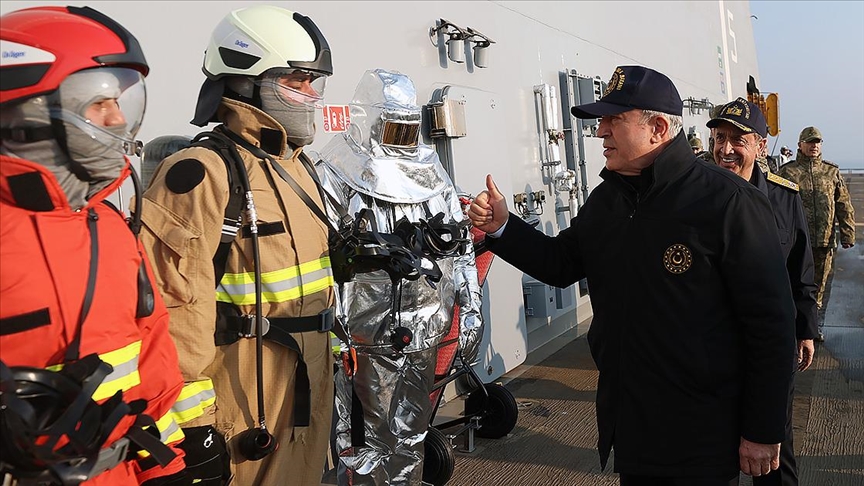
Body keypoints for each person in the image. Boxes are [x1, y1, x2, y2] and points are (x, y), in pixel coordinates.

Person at [468, 65, 797, 485]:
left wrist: (763, 430)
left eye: (613, 119)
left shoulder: (729, 202)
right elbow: (560, 263)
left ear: (658, 127)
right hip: (631, 421)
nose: (600, 131)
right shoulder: (609, 200)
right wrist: (502, 227)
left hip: (702, 427)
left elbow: (771, 325)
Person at [138, 5, 336, 485]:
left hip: (310, 388)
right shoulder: (201, 174)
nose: (310, 95)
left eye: (315, 82)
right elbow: (174, 311)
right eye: (297, 79)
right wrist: (194, 430)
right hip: (244, 401)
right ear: (247, 81)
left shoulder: (298, 168)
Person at [0, 6, 187, 485]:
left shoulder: (107, 223)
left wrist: (165, 464)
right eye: (97, 103)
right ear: (32, 109)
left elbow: (150, 349)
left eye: (121, 100)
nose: (119, 119)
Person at [316, 69, 483, 486]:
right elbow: (321, 260)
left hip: (424, 331)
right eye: (393, 127)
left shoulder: (430, 171)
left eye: (408, 129)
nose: (402, 139)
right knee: (360, 444)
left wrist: (471, 306)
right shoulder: (335, 173)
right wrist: (336, 339)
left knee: (411, 433)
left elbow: (459, 244)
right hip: (363, 341)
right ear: (367, 120)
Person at [708, 97, 819, 486]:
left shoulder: (784, 197)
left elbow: (800, 268)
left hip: (771, 348)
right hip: (711, 350)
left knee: (775, 452)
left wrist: (806, 328)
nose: (725, 150)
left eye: (738, 140)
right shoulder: (695, 194)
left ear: (759, 145)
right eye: (719, 138)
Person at [778, 126, 856, 342]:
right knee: (794, 284)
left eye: (817, 142)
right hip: (796, 242)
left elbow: (843, 203)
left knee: (818, 288)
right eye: (810, 142)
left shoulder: (831, 172)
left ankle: (813, 329)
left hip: (823, 241)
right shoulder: (787, 172)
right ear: (800, 145)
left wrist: (848, 234)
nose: (814, 146)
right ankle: (793, 326)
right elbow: (776, 205)